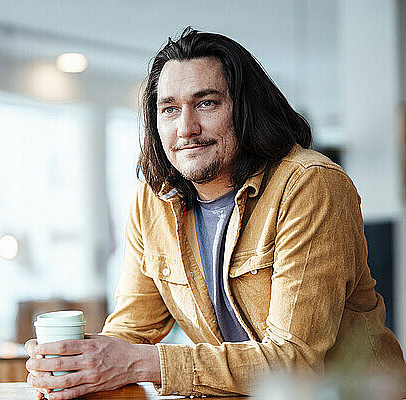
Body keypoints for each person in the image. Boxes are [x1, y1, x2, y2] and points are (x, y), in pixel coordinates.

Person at [25, 27, 406, 399]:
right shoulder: (153, 200)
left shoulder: (310, 185)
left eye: (206, 103)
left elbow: (295, 361)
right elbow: (131, 331)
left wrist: (141, 363)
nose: (186, 128)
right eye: (170, 109)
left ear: (245, 109)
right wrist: (78, 365)